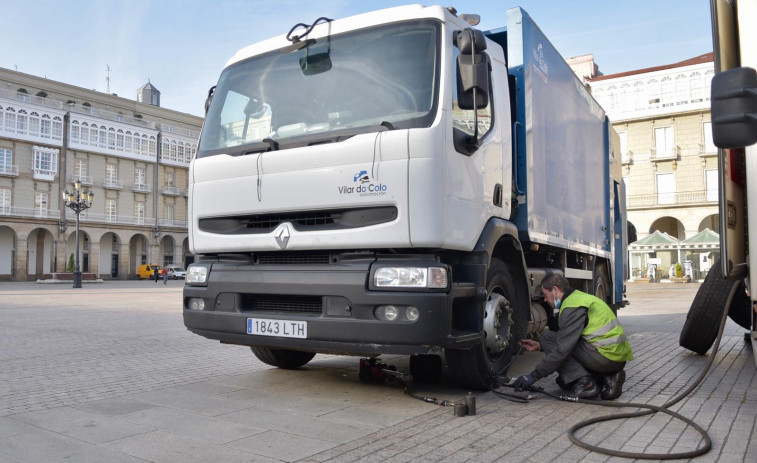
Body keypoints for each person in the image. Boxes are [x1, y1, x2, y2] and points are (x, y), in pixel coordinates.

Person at [512, 273, 633, 400]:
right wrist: (540, 346)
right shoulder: (580, 298)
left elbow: (562, 350)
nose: (545, 300)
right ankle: (607, 378)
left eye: (545, 295)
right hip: (615, 359)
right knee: (563, 381)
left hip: (605, 358)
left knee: (547, 337)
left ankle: (587, 384)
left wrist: (533, 376)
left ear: (555, 290)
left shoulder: (572, 307)